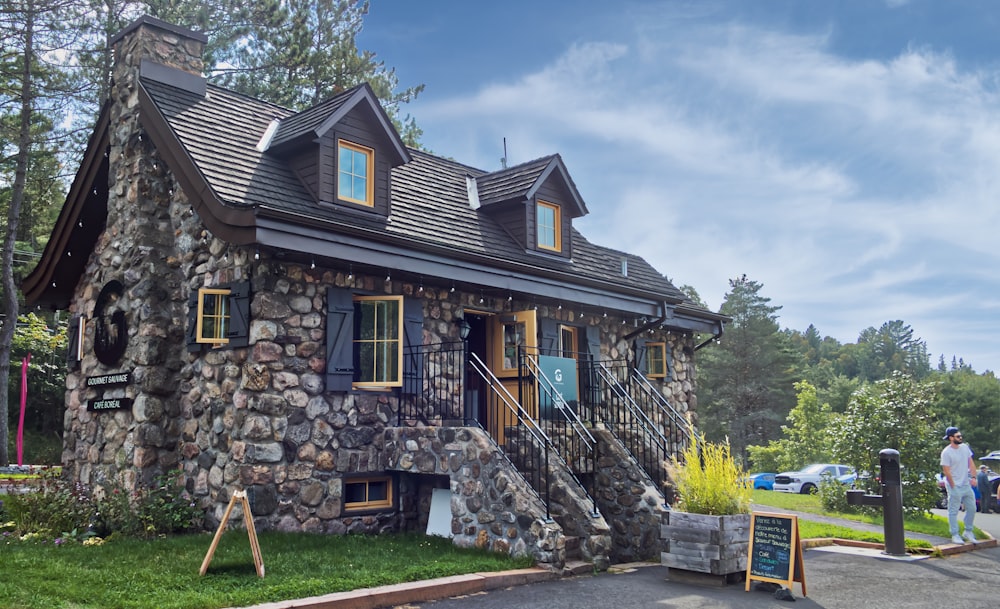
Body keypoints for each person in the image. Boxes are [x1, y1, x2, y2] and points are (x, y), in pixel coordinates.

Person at [941, 426, 978, 544]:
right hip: (954, 485)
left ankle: (968, 531)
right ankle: (955, 534)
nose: (960, 438)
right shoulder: (946, 452)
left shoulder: (965, 448)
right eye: (958, 436)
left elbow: (971, 463)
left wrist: (973, 477)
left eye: (961, 436)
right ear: (951, 438)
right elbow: (946, 471)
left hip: (965, 484)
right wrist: (953, 487)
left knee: (972, 508)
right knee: (953, 510)